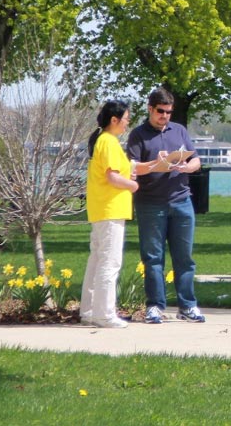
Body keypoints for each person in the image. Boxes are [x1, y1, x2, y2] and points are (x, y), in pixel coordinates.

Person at [125, 87, 206, 324]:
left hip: (181, 200)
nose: (165, 116)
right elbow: (132, 167)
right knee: (153, 258)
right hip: (151, 203)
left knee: (184, 258)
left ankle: (187, 306)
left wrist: (188, 166)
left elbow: (196, 159)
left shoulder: (179, 130)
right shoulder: (138, 135)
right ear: (150, 109)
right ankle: (155, 306)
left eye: (169, 112)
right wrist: (156, 164)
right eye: (161, 111)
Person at [80, 100, 138, 329]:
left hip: (101, 209)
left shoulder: (102, 141)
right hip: (110, 209)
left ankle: (89, 311)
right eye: (125, 119)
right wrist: (132, 185)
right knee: (110, 262)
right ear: (114, 120)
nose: (127, 124)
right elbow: (112, 177)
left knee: (96, 260)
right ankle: (104, 314)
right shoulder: (109, 142)